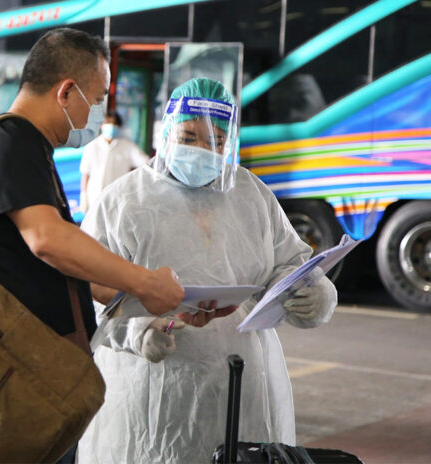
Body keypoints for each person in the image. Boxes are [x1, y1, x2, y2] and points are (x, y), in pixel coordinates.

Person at [0, 28, 184, 463]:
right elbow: (48, 241)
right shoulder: (12, 139)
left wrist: (154, 301)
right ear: (65, 92)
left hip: (28, 374)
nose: (99, 112)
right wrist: (145, 280)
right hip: (10, 377)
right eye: (97, 99)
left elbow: (61, 267)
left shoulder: (29, 149)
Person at [77, 77, 337, 463]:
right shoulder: (123, 202)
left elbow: (290, 262)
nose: (202, 150)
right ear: (164, 134)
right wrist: (137, 331)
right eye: (188, 136)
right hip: (151, 398)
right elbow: (87, 289)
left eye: (215, 140)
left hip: (238, 388)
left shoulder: (251, 196)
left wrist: (314, 292)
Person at [79, 111, 148, 212]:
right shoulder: (92, 146)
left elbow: (145, 162)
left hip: (117, 198)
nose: (111, 127)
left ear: (119, 127)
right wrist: (83, 195)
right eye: (108, 123)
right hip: (94, 196)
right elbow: (86, 174)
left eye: (114, 124)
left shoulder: (127, 146)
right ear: (102, 125)